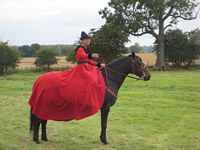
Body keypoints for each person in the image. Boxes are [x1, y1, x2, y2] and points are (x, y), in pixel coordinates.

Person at [28, 31, 106, 121]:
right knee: (92, 80)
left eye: (89, 39)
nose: (88, 41)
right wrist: (91, 55)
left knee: (95, 77)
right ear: (82, 41)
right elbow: (82, 56)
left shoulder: (86, 49)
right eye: (86, 39)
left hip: (86, 67)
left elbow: (89, 61)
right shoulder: (80, 48)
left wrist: (98, 64)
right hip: (81, 68)